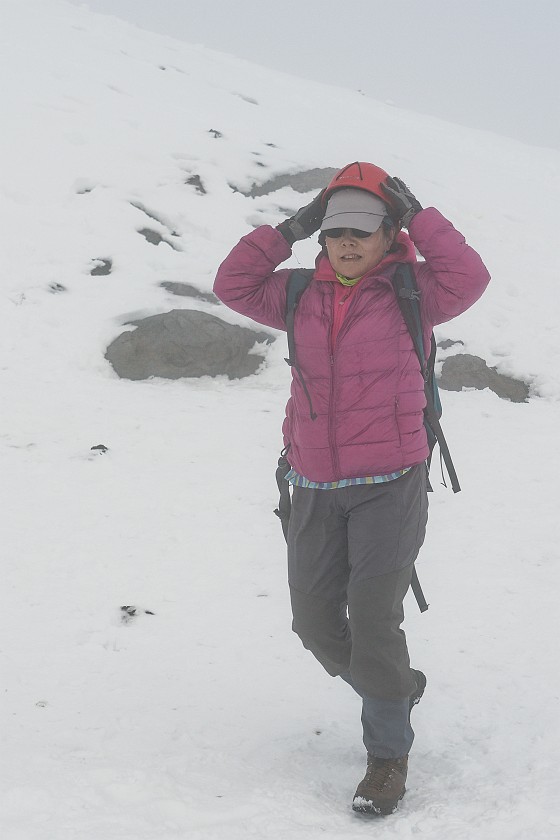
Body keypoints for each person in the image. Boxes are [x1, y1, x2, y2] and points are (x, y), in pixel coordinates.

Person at [214, 161, 490, 815]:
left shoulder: (414, 291)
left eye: (362, 230)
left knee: (373, 621)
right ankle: (393, 687)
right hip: (312, 482)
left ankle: (387, 757)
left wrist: (420, 215)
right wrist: (291, 227)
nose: (346, 241)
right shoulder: (297, 294)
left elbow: (470, 276)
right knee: (314, 624)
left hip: (389, 484)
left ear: (390, 235)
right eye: (335, 229)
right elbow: (232, 283)